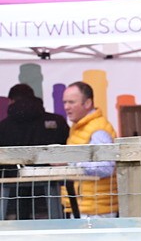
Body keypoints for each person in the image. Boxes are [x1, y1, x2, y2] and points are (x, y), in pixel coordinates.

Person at [0, 84, 70, 219]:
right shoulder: (57, 121)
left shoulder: (3, 127)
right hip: (54, 199)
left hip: (11, 202)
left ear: (11, 101)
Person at [61, 81, 119, 217]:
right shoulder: (80, 127)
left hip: (96, 211)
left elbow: (106, 167)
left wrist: (70, 163)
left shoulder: (98, 130)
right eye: (64, 102)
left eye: (71, 102)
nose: (66, 107)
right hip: (84, 207)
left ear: (87, 103)